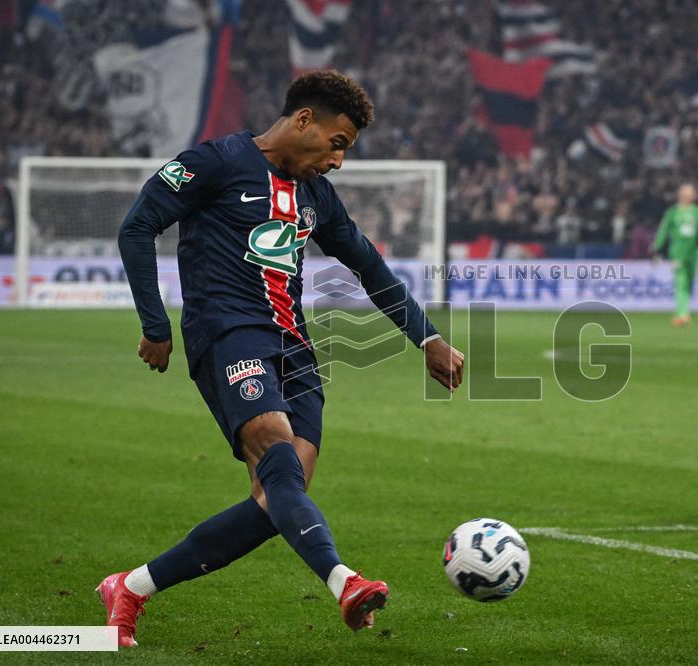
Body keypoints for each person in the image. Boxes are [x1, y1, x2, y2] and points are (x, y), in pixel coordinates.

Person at [100, 71, 465, 647]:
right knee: (274, 447)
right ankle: (344, 582)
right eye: (338, 143)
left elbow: (369, 266)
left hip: (294, 348)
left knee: (277, 500)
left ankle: (132, 586)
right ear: (302, 121)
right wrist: (155, 323)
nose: (339, 161)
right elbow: (138, 225)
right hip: (227, 333)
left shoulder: (317, 195)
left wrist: (427, 338)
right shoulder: (216, 162)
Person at [652, 183, 698, 326]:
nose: (687, 196)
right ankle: (682, 314)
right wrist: (657, 247)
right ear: (680, 195)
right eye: (685, 193)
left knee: (690, 283)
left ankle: (683, 310)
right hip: (677, 253)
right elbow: (663, 230)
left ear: (694, 196)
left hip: (693, 253)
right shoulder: (672, 212)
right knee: (681, 283)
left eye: (690, 193)